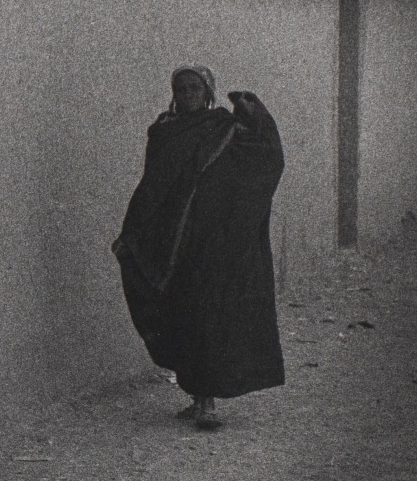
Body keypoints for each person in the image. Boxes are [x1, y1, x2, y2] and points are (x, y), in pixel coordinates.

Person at [112, 65, 286, 430]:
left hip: (211, 242)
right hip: (174, 244)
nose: (188, 93)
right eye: (181, 88)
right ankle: (196, 397)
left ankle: (207, 402)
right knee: (182, 316)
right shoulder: (163, 133)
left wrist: (256, 113)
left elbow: (267, 154)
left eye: (194, 87)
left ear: (208, 92)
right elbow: (152, 188)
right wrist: (133, 233)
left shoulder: (225, 129)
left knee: (207, 315)